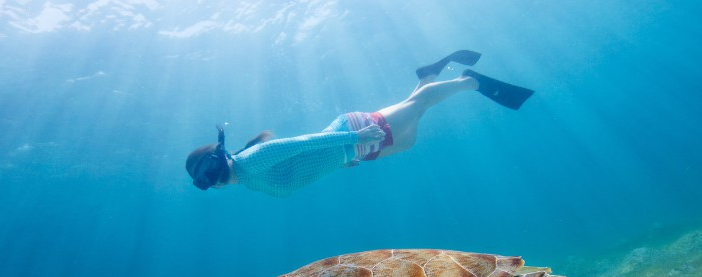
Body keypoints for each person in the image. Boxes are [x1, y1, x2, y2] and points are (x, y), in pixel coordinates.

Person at [186, 50, 534, 197]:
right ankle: (427, 75)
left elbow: (303, 143)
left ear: (216, 160)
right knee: (409, 137)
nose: (210, 181)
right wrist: (344, 158)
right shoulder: (248, 178)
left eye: (205, 173)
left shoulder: (251, 161)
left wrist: (354, 137)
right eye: (203, 180)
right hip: (346, 149)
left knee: (417, 107)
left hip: (351, 134)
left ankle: (470, 82)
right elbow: (304, 165)